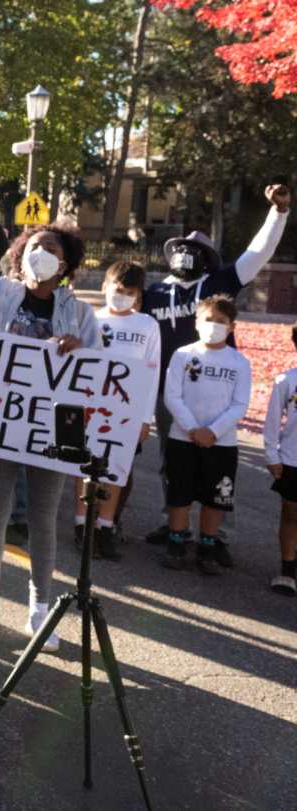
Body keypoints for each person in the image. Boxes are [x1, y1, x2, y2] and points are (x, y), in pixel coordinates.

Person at [0, 179, 97, 651]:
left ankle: (40, 609)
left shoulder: (80, 314)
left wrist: (79, 350)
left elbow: (101, 373)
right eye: (33, 246)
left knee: (44, 519)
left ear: (64, 265)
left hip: (53, 426)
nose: (38, 253)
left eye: (49, 248)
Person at [143, 182, 290, 545]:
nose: (184, 254)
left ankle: (215, 533)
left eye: (193, 250)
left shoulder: (221, 281)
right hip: (171, 391)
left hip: (218, 389)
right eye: (180, 248)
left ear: (208, 256)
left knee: (218, 463)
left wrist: (278, 213)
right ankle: (172, 522)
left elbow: (258, 253)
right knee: (171, 460)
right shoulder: (157, 291)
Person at [161, 296, 250, 575]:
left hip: (221, 443)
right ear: (197, 323)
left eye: (221, 322)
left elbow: (240, 404)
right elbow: (172, 396)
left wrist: (212, 431)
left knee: (216, 497)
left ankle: (207, 546)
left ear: (232, 326)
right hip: (182, 438)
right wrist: (192, 428)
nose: (214, 326)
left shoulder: (239, 362)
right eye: (208, 320)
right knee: (179, 494)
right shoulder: (183, 355)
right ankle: (177, 542)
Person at [77, 260, 160, 559]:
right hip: (90, 406)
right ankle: (82, 524)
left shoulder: (148, 325)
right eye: (117, 289)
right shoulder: (91, 319)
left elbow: (152, 371)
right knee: (84, 467)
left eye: (129, 291)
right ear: (104, 287)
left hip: (127, 410)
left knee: (116, 470)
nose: (121, 295)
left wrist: (145, 418)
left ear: (138, 295)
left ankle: (105, 525)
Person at [262, 325, 297, 596]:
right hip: (291, 459)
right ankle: (287, 568)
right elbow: (273, 422)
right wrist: (272, 455)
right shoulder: (286, 381)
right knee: (290, 513)